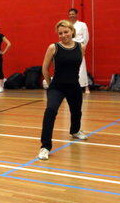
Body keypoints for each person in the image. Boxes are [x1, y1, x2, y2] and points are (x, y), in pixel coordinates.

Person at [38, 20, 88, 161]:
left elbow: (75, 66)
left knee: (76, 110)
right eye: (60, 33)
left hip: (73, 85)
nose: (63, 35)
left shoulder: (81, 47)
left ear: (72, 31)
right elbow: (45, 68)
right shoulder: (53, 47)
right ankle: (45, 147)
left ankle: (75, 130)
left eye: (66, 32)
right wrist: (50, 84)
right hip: (57, 87)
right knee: (50, 111)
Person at [68, 8, 90, 93]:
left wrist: (83, 47)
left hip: (79, 47)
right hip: (69, 47)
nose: (71, 16)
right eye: (70, 14)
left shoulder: (82, 25)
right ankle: (71, 86)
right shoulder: (68, 25)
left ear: (76, 15)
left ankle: (86, 86)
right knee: (69, 67)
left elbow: (86, 37)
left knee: (81, 66)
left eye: (73, 14)